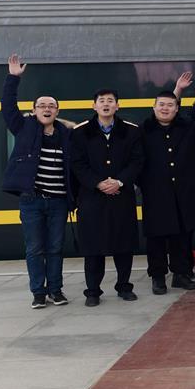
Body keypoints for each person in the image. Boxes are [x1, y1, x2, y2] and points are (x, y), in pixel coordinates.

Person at [1, 54, 74, 308]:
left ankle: (56, 290)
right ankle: (38, 294)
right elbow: (8, 109)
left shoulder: (67, 134)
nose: (46, 108)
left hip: (58, 202)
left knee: (55, 248)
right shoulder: (25, 128)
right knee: (35, 249)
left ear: (57, 111)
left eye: (51, 106)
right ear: (34, 110)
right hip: (31, 201)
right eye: (41, 105)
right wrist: (13, 78)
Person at [70, 88, 144, 306]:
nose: (106, 104)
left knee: (124, 244)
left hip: (122, 195)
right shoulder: (80, 132)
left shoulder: (131, 131)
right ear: (94, 106)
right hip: (92, 198)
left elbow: (137, 161)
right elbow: (77, 164)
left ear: (117, 106)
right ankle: (93, 291)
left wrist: (119, 181)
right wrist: (98, 183)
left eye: (110, 101)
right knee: (93, 247)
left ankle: (124, 286)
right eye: (101, 101)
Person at [138, 89, 195, 295]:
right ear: (154, 107)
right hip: (155, 193)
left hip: (183, 193)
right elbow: (136, 160)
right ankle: (158, 277)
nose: (165, 108)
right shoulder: (144, 130)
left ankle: (181, 274)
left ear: (177, 108)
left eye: (170, 105)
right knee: (156, 238)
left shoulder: (186, 128)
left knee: (182, 236)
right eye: (161, 104)